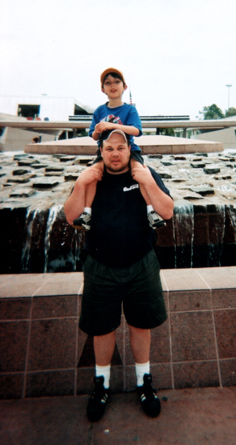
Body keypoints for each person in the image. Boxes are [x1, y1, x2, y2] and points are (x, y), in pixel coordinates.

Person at [64, 128, 174, 422]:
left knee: (141, 325)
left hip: (141, 264)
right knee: (102, 329)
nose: (115, 153)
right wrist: (79, 185)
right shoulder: (91, 178)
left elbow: (167, 212)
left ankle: (144, 382)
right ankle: (102, 386)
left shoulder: (145, 173)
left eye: (120, 148)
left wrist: (148, 181)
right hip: (100, 266)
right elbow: (72, 218)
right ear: (101, 151)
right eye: (109, 147)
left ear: (129, 150)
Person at [72, 67, 165, 232]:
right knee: (93, 174)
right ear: (103, 89)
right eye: (107, 83)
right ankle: (87, 213)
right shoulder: (100, 111)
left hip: (129, 150)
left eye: (116, 81)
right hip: (105, 151)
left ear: (124, 86)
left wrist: (111, 125)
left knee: (140, 173)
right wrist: (97, 131)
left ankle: (151, 211)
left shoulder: (130, 110)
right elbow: (93, 135)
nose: (112, 85)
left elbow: (136, 131)